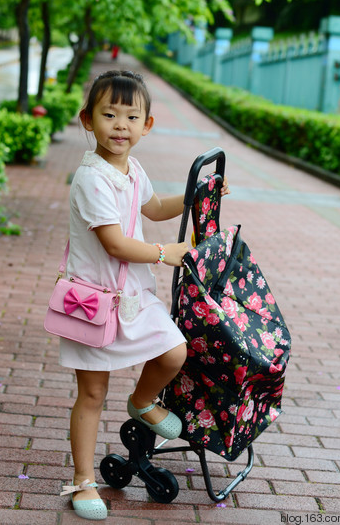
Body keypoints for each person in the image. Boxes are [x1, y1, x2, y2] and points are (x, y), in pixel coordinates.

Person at [59, 69, 228, 520]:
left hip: (133, 296)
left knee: (173, 351)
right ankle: (82, 483)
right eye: (109, 114)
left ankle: (142, 402)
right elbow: (115, 243)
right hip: (94, 302)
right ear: (87, 120)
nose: (120, 125)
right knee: (91, 394)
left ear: (146, 125)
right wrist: (163, 253)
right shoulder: (92, 178)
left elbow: (151, 208)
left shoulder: (132, 168)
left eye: (131, 117)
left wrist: (197, 196)